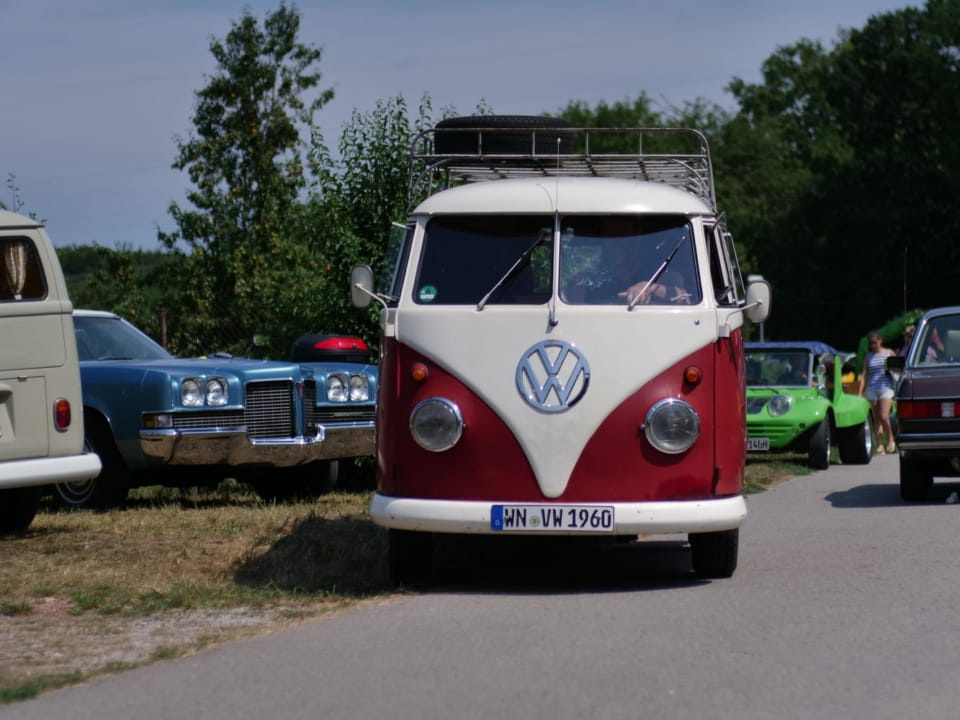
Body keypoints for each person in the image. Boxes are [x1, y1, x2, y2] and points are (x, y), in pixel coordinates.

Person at [858, 331, 896, 454]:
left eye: (875, 342)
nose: (873, 345)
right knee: (877, 418)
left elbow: (898, 370)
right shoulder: (868, 356)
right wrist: (860, 392)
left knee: (884, 415)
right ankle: (880, 444)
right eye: (871, 343)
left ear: (880, 341)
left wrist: (889, 367)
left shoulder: (889, 353)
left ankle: (890, 438)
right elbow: (863, 375)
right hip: (872, 388)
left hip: (886, 387)